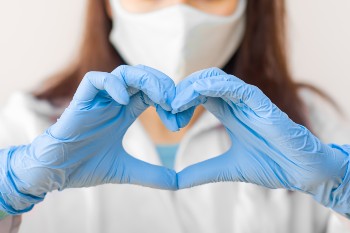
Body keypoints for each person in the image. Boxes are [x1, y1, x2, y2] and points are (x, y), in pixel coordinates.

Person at [0, 0, 349, 232]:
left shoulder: (315, 132)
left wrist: (345, 190)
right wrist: (7, 192)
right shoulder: (24, 127)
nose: (178, 16)